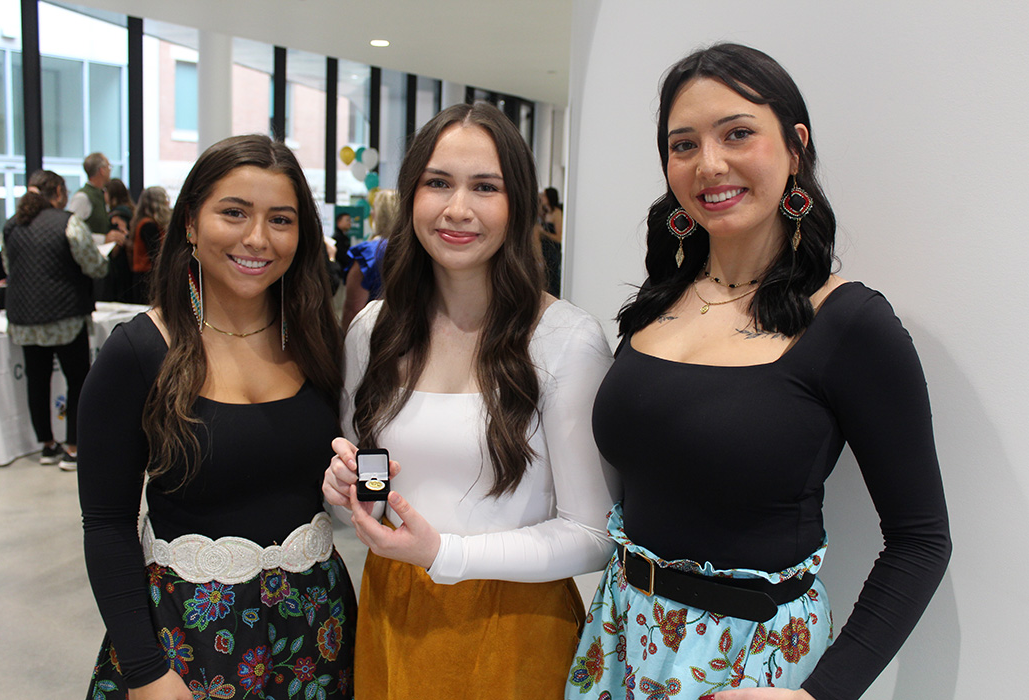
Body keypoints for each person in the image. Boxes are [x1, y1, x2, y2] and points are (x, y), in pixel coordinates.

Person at [566, 44, 951, 700]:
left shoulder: (850, 323)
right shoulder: (658, 300)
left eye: (738, 133)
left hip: (753, 664)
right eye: (683, 144)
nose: (709, 164)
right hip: (620, 635)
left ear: (795, 146)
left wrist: (818, 695)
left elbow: (921, 540)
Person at [322, 103, 619, 699]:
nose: (458, 209)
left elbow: (594, 534)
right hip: (393, 615)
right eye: (438, 183)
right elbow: (371, 504)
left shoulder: (565, 340)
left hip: (517, 628)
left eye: (485, 186)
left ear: (519, 205)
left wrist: (444, 553)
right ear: (411, 197)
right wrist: (347, 498)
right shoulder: (374, 331)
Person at [78, 135, 356, 700]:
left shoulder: (315, 339)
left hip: (318, 626)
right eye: (234, 213)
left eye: (281, 219)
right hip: (188, 635)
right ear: (189, 224)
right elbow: (106, 524)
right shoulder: (138, 351)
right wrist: (145, 670)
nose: (257, 238)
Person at [1, 170, 121, 471]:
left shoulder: (11, 226)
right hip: (65, 316)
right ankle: (73, 447)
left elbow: (6, 264)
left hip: (24, 319)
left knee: (37, 381)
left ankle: (46, 445)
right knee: (78, 379)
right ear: (57, 192)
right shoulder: (68, 222)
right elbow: (94, 265)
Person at [69, 152, 130, 301]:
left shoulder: (100, 195)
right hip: (90, 265)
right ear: (101, 170)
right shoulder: (83, 197)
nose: (110, 170)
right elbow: (71, 233)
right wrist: (104, 239)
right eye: (108, 166)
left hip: (104, 262)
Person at [340, 188, 398, 328]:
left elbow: (353, 309)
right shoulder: (413, 250)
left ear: (378, 214)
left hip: (372, 336)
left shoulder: (369, 253)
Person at [129, 186, 172, 304]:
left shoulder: (143, 222)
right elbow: (155, 253)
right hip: (148, 277)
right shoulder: (149, 226)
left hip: (145, 275)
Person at [535, 186, 563, 297]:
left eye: (545, 195)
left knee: (553, 279)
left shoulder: (557, 213)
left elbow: (559, 237)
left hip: (553, 251)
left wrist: (544, 233)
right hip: (545, 250)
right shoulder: (545, 212)